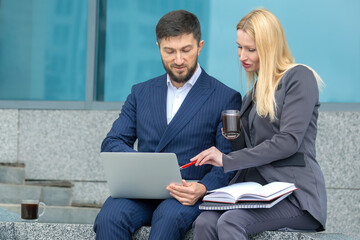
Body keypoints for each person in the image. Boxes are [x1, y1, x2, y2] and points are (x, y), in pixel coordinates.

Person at [93, 10, 242, 240]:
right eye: (169, 51)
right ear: (158, 47)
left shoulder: (225, 97)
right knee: (109, 217)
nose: (178, 60)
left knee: (168, 218)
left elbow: (229, 157)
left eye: (186, 50)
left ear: (200, 46)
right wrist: (139, 165)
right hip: (140, 192)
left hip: (187, 194)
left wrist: (202, 188)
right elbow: (113, 141)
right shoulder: (140, 93)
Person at [190, 9, 327, 240]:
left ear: (269, 47)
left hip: (295, 197)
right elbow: (247, 150)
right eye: (239, 47)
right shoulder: (252, 94)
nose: (242, 55)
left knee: (232, 221)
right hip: (257, 192)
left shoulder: (298, 78)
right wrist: (233, 136)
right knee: (204, 221)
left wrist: (227, 160)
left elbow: (289, 141)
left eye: (251, 49)